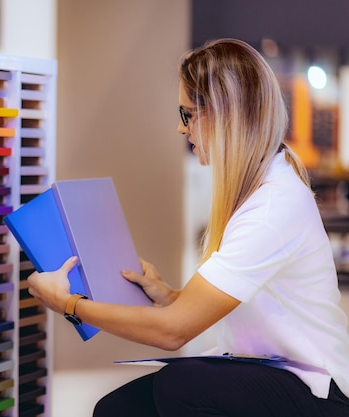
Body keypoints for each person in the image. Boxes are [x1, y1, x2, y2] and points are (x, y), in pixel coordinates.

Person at [26, 38, 349, 416]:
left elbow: (172, 332)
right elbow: (222, 302)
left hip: (318, 391)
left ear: (224, 116)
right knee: (116, 410)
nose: (182, 130)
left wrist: (68, 304)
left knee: (183, 385)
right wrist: (168, 296)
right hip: (272, 371)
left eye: (187, 114)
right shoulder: (257, 188)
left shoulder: (272, 207)